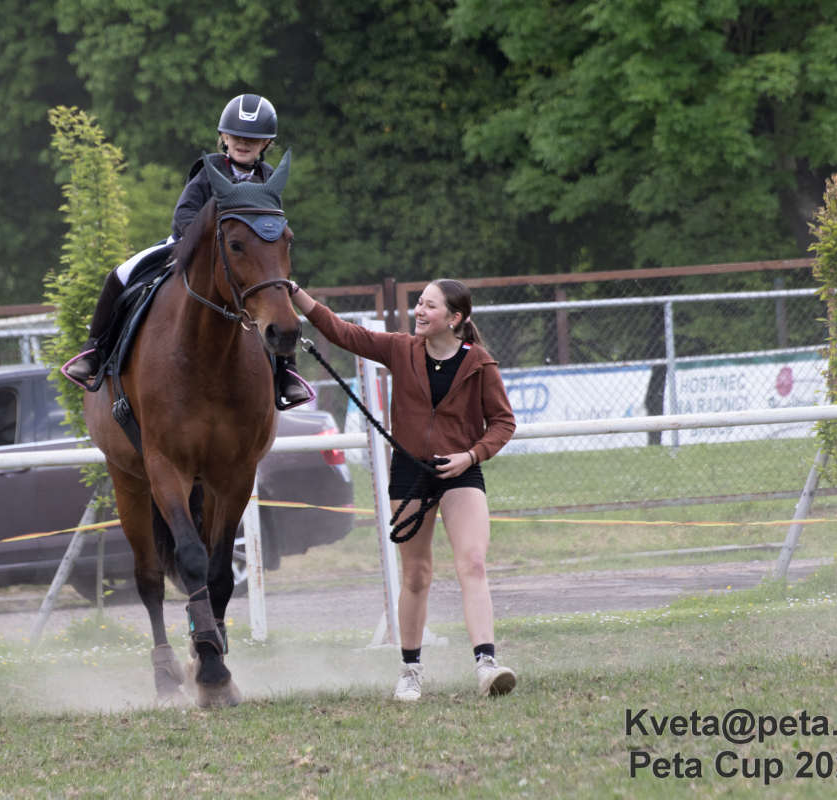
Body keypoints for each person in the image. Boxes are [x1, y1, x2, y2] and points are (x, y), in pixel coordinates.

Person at [290, 279, 518, 700]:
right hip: (410, 471)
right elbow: (342, 332)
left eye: (430, 306)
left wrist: (471, 456)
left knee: (473, 563)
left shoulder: (479, 363)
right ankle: (410, 671)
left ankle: (486, 665)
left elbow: (503, 423)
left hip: (460, 472)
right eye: (419, 303)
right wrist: (295, 294)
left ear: (454, 318)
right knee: (416, 574)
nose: (419, 311)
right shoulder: (400, 349)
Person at [64, 94, 311, 407]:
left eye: (251, 138)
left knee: (277, 293)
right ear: (224, 137)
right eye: (236, 136)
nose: (242, 143)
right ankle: (94, 351)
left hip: (246, 259)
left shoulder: (268, 178)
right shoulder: (209, 171)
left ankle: (287, 372)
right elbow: (183, 215)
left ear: (266, 143)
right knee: (120, 275)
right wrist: (205, 244)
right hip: (190, 247)